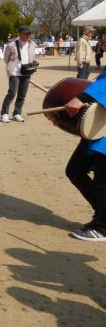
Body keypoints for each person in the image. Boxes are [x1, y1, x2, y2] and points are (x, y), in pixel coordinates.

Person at [64, 70, 106, 241]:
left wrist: (82, 97)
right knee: (75, 170)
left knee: (103, 183)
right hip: (100, 125)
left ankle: (103, 227)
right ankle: (103, 215)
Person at [0, 25, 37, 123]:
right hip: (14, 71)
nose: (28, 35)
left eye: (29, 33)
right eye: (26, 33)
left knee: (22, 95)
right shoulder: (11, 45)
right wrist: (12, 66)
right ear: (19, 34)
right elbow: (6, 58)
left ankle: (17, 113)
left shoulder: (32, 44)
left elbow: (32, 56)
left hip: (27, 71)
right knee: (12, 93)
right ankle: (4, 113)